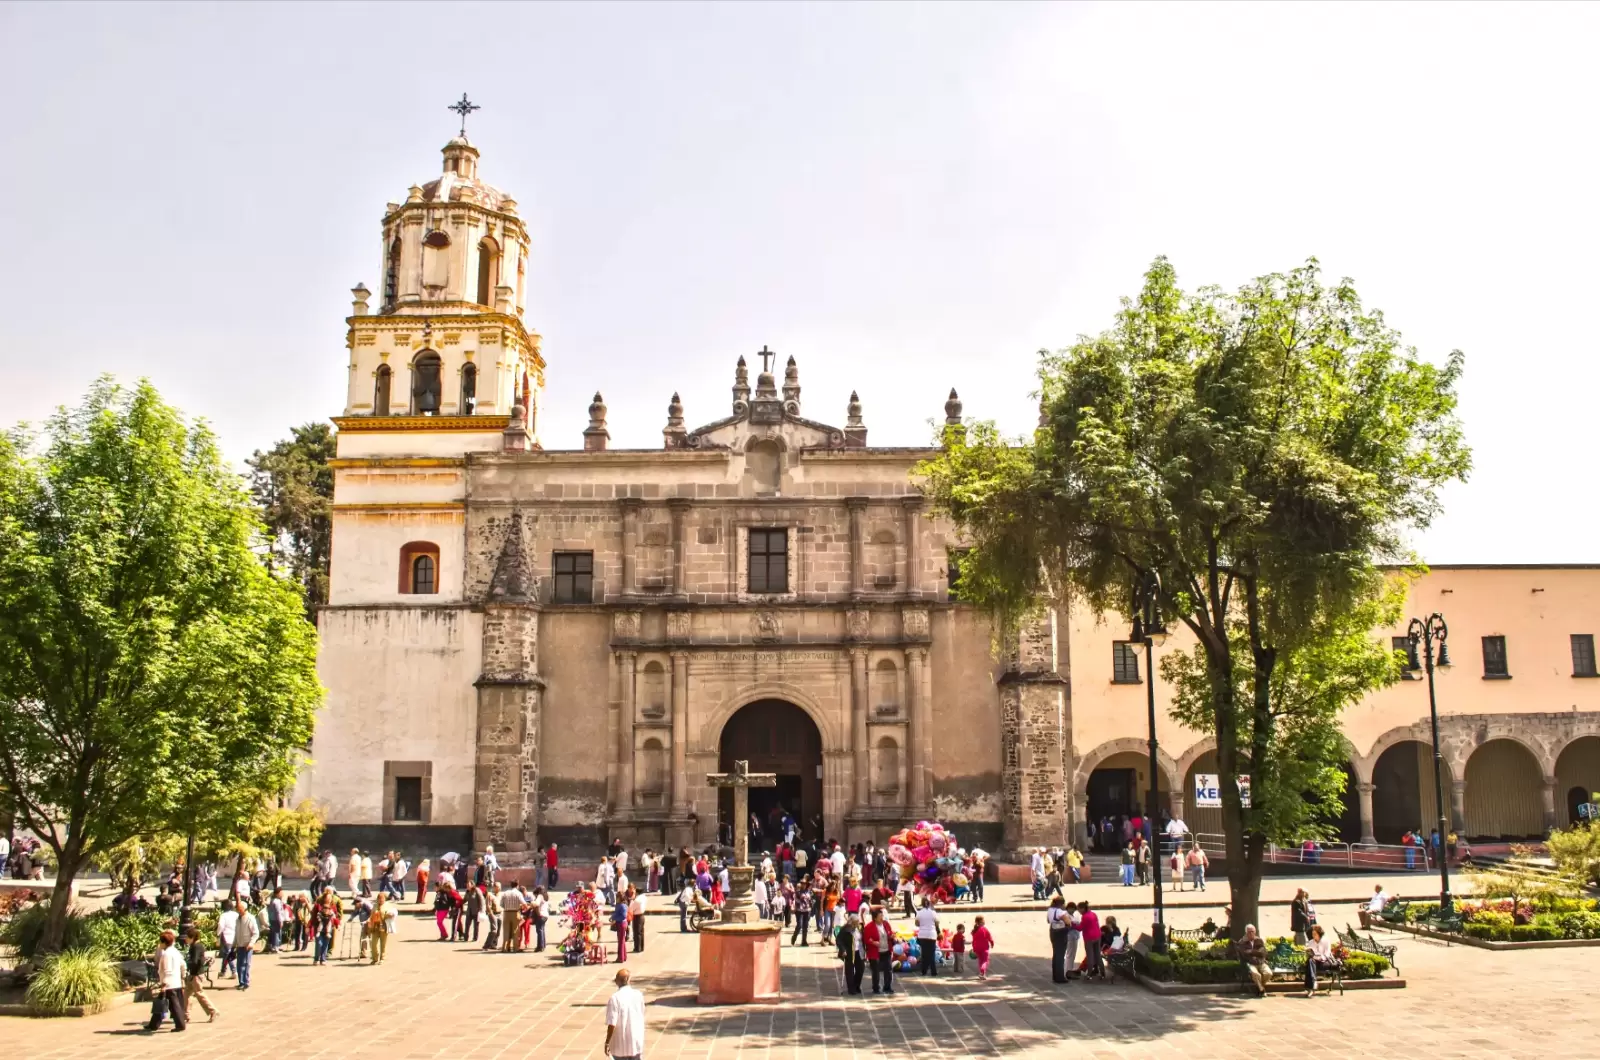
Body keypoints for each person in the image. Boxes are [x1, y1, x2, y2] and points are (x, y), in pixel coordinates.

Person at [145, 929, 188, 1032]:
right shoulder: (175, 951)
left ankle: (180, 1025)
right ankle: (153, 1024)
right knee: (162, 1003)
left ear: (164, 942)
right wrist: (183, 976)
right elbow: (183, 965)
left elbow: (167, 970)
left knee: (173, 1006)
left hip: (169, 984)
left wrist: (164, 984)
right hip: (175, 982)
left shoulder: (166, 954)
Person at [604, 967, 646, 1060]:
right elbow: (642, 1013)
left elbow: (612, 1023)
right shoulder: (638, 995)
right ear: (629, 980)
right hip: (636, 1040)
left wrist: (607, 1042)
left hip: (621, 1044)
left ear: (616, 982)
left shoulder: (615, 998)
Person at [182, 925, 217, 1022]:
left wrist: (186, 963)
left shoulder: (196, 947)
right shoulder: (194, 946)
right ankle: (186, 1015)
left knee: (199, 994)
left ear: (192, 938)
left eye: (187, 937)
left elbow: (196, 961)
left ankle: (212, 1011)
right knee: (187, 994)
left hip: (196, 975)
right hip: (193, 974)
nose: (185, 939)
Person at [863, 907, 895, 994]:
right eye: (880, 916)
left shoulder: (886, 924)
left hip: (886, 950)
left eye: (882, 916)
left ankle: (887, 987)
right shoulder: (869, 927)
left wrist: (891, 936)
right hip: (875, 952)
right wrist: (873, 942)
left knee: (888, 969)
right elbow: (866, 939)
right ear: (875, 918)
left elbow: (889, 933)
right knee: (876, 971)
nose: (882, 918)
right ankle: (876, 988)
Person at [231, 899, 258, 990]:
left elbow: (255, 933)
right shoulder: (237, 919)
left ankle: (246, 982)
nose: (238, 910)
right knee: (239, 964)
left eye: (239, 908)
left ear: (244, 909)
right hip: (239, 944)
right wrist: (234, 944)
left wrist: (251, 943)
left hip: (247, 945)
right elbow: (236, 932)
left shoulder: (250, 918)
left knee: (246, 964)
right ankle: (241, 982)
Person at [836, 912, 865, 995]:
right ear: (851, 922)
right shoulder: (845, 929)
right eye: (856, 922)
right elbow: (839, 940)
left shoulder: (859, 928)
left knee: (861, 969)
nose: (858, 923)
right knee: (850, 971)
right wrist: (843, 950)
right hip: (849, 952)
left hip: (859, 951)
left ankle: (856, 985)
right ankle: (851, 988)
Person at [1236, 924, 1269, 996]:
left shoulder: (1259, 940)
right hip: (1250, 963)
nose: (1251, 933)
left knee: (1268, 973)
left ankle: (1259, 987)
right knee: (1256, 974)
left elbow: (1263, 952)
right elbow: (1245, 954)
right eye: (1249, 932)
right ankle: (1261, 989)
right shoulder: (1242, 942)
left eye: (1252, 931)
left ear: (1255, 932)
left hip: (1261, 962)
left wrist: (1251, 951)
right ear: (1246, 932)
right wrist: (1256, 952)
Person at [1304, 924, 1336, 996]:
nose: (1313, 936)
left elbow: (1327, 954)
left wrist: (1320, 958)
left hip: (1323, 962)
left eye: (1315, 934)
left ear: (1319, 934)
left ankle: (1311, 987)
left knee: (1310, 964)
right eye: (1312, 934)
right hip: (1314, 962)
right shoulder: (1311, 942)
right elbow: (1309, 953)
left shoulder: (1326, 941)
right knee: (1310, 961)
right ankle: (1313, 984)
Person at [1046, 895, 1070, 983]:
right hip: (1061, 932)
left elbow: (1048, 920)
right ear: (1061, 903)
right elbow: (1068, 922)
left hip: (1052, 931)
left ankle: (1055, 975)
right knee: (1060, 955)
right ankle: (1060, 977)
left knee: (1056, 953)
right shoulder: (1060, 912)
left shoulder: (1050, 910)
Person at [914, 897, 940, 976]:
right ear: (929, 904)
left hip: (922, 935)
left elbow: (916, 923)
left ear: (922, 904)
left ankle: (923, 970)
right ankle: (933, 971)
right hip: (931, 935)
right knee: (931, 953)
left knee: (924, 953)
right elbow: (937, 922)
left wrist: (922, 924)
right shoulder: (933, 913)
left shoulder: (919, 913)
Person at [1080, 901, 1104, 980]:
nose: (1079, 911)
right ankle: (1103, 973)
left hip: (1089, 938)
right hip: (1097, 936)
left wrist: (1072, 925)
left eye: (1079, 909)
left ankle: (1089, 974)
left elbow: (1080, 928)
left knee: (1090, 956)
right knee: (1098, 955)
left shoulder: (1085, 917)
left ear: (1083, 909)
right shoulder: (1093, 914)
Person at [216, 901, 239, 979]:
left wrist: (218, 934)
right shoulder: (236, 914)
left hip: (226, 937)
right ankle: (223, 971)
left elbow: (221, 926)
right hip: (235, 937)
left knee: (228, 955)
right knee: (227, 954)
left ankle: (234, 971)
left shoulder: (223, 915)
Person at [368, 893, 392, 964]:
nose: (380, 900)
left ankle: (382, 958)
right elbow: (371, 915)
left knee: (383, 944)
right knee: (373, 944)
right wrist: (370, 923)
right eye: (379, 899)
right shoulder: (374, 906)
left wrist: (389, 915)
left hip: (384, 927)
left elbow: (392, 914)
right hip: (375, 927)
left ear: (385, 899)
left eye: (382, 899)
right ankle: (375, 958)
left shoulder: (387, 906)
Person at [502, 880, 525, 953]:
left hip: (506, 913)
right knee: (515, 931)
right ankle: (515, 948)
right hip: (515, 913)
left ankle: (505, 948)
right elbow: (524, 903)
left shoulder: (505, 893)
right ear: (517, 885)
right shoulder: (518, 893)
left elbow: (501, 904)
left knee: (506, 931)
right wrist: (521, 906)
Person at [971, 915, 994, 980]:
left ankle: (982, 973)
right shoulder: (984, 929)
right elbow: (989, 937)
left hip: (977, 948)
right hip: (984, 948)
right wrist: (992, 943)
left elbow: (973, 940)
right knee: (985, 961)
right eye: (983, 920)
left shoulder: (975, 930)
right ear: (981, 922)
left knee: (980, 960)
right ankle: (982, 971)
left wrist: (974, 948)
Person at [791, 879, 813, 945]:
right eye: (802, 883)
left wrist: (811, 903)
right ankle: (794, 937)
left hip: (807, 910)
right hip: (799, 910)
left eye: (805, 884)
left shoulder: (809, 892)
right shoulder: (798, 892)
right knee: (799, 925)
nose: (803, 885)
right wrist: (801, 902)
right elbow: (796, 899)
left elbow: (811, 899)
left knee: (805, 926)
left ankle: (804, 941)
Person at [611, 893, 630, 963]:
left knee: (621, 942)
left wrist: (615, 918)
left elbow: (623, 916)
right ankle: (624, 956)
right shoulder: (619, 905)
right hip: (620, 923)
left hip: (621, 923)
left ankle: (620, 958)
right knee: (622, 941)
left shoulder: (622, 906)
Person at [483, 883, 502, 950]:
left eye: (499, 887)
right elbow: (488, 905)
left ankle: (493, 944)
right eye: (497, 887)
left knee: (498, 931)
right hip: (493, 913)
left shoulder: (500, 895)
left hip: (500, 914)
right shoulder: (490, 894)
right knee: (494, 930)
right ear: (494, 887)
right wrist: (490, 913)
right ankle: (486, 945)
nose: (499, 888)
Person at [630, 886, 646, 952]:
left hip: (637, 916)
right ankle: (641, 947)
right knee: (641, 932)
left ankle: (637, 948)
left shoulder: (637, 900)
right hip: (642, 916)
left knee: (637, 933)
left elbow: (631, 908)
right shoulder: (644, 897)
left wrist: (632, 899)